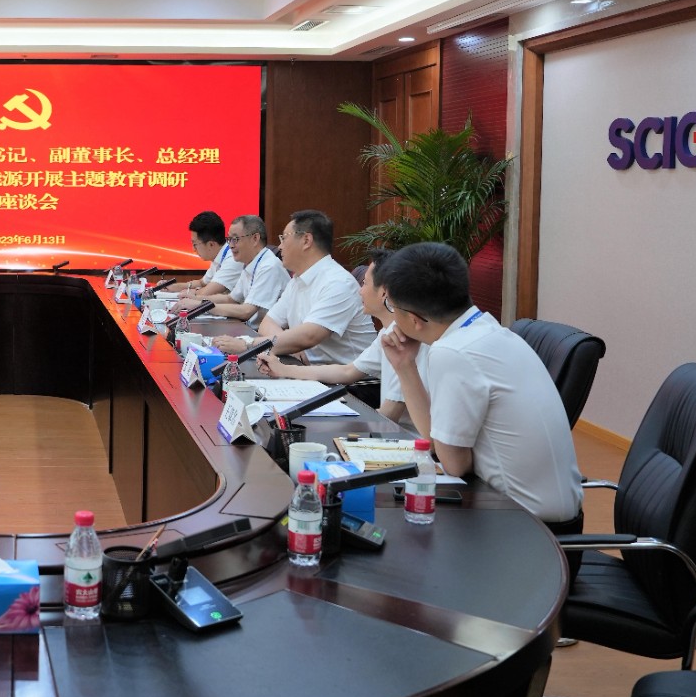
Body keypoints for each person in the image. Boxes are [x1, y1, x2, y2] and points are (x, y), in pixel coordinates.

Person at [378, 242, 583, 526]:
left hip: (525, 527)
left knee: (389, 519)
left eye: (392, 306)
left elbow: (454, 464)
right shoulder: (486, 329)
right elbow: (436, 442)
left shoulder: (453, 352)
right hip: (532, 514)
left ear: (414, 319)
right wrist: (404, 365)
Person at [261, 247, 416, 422]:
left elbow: (388, 416)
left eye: (365, 283)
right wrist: (283, 369)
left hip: (402, 434)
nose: (360, 291)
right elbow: (347, 371)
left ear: (384, 292)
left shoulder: (404, 339)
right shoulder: (387, 332)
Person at [216, 210, 375, 364]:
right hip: (307, 369)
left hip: (350, 380)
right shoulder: (297, 279)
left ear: (306, 240)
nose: (280, 247)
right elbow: (268, 323)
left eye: (284, 238)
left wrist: (247, 344)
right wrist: (289, 347)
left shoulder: (337, 283)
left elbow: (309, 336)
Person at [181, 214, 284, 325]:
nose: (231, 245)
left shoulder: (268, 266)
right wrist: (197, 299)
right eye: (229, 239)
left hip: (262, 332)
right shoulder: (251, 263)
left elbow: (246, 311)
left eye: (235, 239)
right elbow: (231, 299)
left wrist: (200, 305)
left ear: (255, 239)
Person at [175, 210, 243, 296]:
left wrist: (189, 292)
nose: (193, 249)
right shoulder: (219, 256)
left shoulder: (233, 258)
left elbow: (206, 292)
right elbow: (202, 283)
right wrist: (173, 286)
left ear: (211, 244)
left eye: (195, 244)